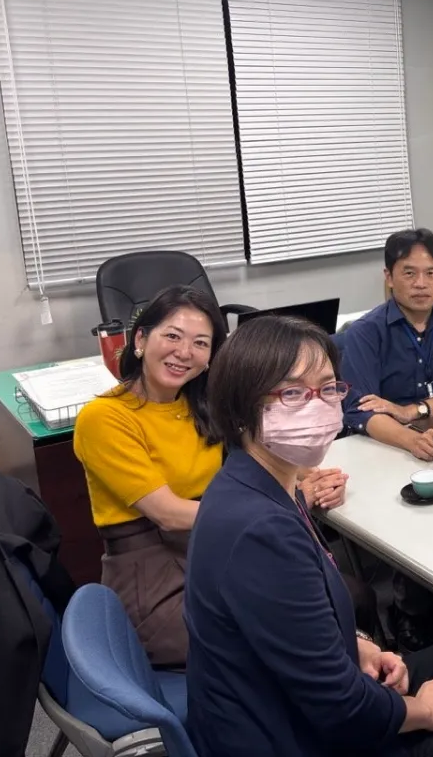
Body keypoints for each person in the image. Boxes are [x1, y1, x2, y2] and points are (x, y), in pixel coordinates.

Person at [185, 315, 433, 757]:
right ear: (242, 406)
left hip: (285, 698)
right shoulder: (261, 533)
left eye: (328, 388)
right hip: (287, 735)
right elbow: (340, 709)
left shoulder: (254, 481)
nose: (317, 406)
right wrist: (424, 710)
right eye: (292, 393)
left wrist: (361, 649)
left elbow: (293, 628)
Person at [72, 285, 351, 667]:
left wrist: (312, 477)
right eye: (172, 336)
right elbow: (168, 514)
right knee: (284, 629)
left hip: (214, 549)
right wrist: (287, 504)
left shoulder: (200, 406)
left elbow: (260, 458)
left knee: (340, 598)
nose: (184, 352)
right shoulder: (104, 417)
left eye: (200, 343)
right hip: (154, 575)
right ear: (140, 340)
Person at [342, 228, 433, 463]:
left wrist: (412, 410)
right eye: (409, 273)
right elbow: (362, 410)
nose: (421, 284)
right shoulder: (365, 333)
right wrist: (412, 441)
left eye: (431, 273)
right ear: (389, 277)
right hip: (387, 447)